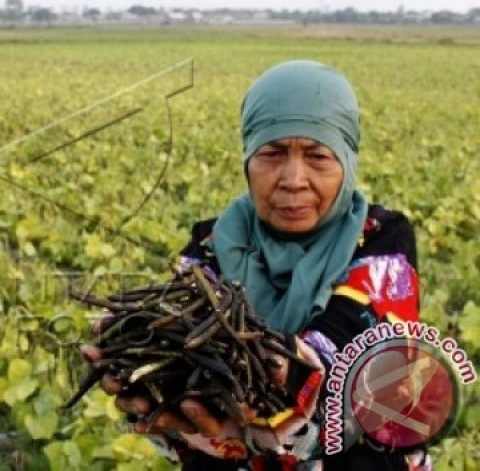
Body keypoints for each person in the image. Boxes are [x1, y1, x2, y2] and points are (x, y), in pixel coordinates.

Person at [81, 60, 429, 470]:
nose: (293, 179)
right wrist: (146, 368)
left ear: (347, 162)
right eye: (273, 154)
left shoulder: (380, 239)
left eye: (317, 156)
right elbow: (181, 349)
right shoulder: (212, 244)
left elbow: (349, 347)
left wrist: (282, 376)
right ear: (248, 158)